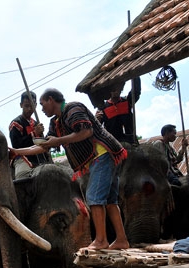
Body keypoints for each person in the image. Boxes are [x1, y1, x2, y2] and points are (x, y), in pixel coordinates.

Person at [9, 88, 129, 250]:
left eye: (43, 105)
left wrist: (58, 140)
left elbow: (86, 131)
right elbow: (44, 146)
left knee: (94, 197)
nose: (42, 109)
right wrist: (17, 152)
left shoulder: (73, 109)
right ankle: (121, 239)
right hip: (101, 157)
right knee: (110, 201)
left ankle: (101, 240)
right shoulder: (55, 122)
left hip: (102, 154)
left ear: (51, 100)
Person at [8, 91, 52, 179]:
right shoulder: (16, 123)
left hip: (40, 157)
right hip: (22, 158)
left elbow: (40, 144)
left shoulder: (36, 123)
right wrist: (34, 133)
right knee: (23, 177)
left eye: (31, 106)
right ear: (21, 105)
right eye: (26, 106)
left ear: (35, 105)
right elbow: (16, 145)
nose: (29, 109)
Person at [95, 77, 141, 145]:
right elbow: (97, 127)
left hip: (131, 142)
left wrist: (135, 76)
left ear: (121, 88)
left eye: (118, 87)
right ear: (109, 90)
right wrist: (96, 119)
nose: (115, 90)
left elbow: (136, 91)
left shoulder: (128, 101)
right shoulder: (102, 108)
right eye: (113, 88)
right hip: (114, 144)